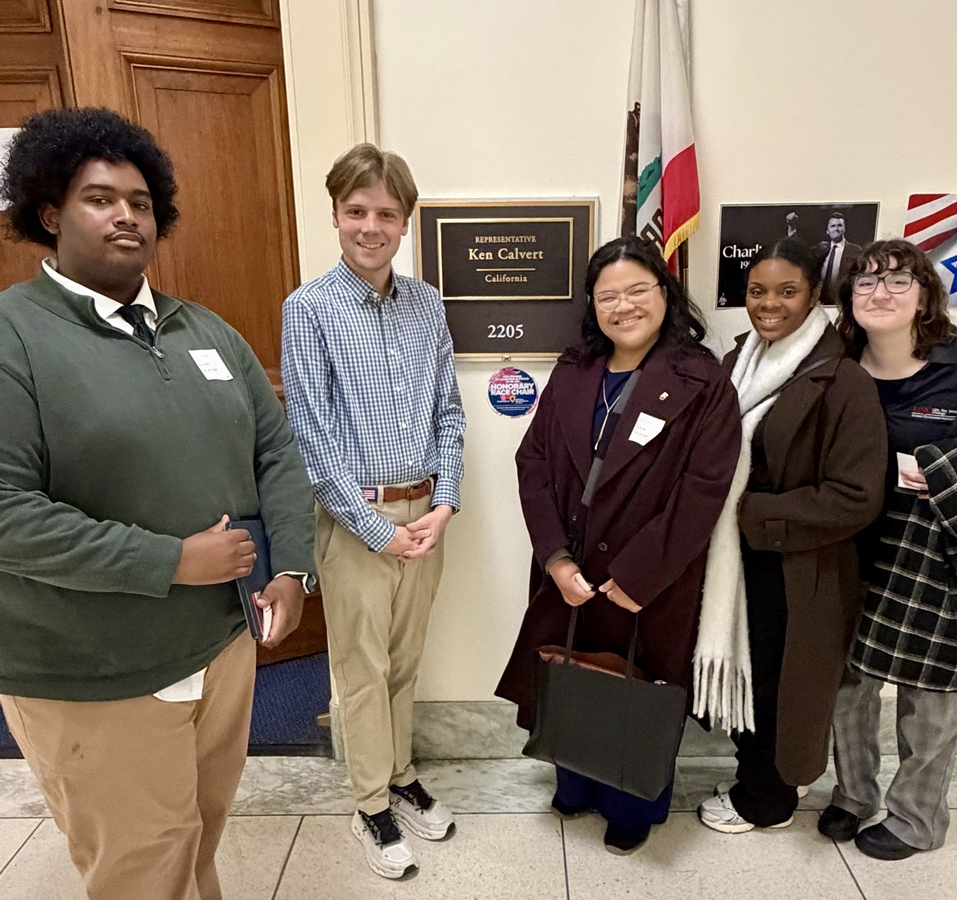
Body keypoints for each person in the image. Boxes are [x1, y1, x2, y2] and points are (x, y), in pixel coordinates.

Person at [0, 107, 315, 900]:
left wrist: (294, 567)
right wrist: (170, 561)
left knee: (198, 832)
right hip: (91, 671)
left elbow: (277, 450)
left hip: (221, 643)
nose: (126, 214)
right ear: (49, 212)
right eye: (100, 198)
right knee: (139, 867)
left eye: (140, 200)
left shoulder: (203, 332)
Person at [496, 236, 742, 855]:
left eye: (638, 290)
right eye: (608, 296)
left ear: (665, 293)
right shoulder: (574, 368)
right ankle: (575, 784)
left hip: (649, 580)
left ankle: (633, 804)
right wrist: (554, 557)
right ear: (592, 305)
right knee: (571, 672)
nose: (624, 306)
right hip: (568, 569)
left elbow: (703, 490)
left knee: (637, 692)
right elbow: (534, 461)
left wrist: (637, 577)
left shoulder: (703, 380)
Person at [819, 238, 957, 860]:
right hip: (855, 551)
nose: (880, 294)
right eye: (864, 284)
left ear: (924, 296)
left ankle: (917, 819)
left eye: (897, 281)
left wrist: (947, 469)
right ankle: (853, 794)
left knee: (929, 697)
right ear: (848, 300)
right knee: (847, 686)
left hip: (942, 563)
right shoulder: (837, 366)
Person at [280, 143, 466, 880]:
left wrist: (445, 502)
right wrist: (375, 529)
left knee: (404, 661)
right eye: (356, 211)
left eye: (386, 213)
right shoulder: (310, 308)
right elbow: (310, 435)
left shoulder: (428, 304)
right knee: (359, 668)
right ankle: (368, 804)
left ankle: (400, 772)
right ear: (335, 215)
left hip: (426, 517)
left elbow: (449, 412)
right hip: (356, 520)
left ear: (405, 222)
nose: (370, 226)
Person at [693, 239, 887, 834]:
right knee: (753, 671)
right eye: (757, 291)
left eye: (786, 291)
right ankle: (753, 776)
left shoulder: (842, 380)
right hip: (738, 561)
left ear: (814, 296)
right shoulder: (738, 363)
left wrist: (755, 514)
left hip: (799, 567)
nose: (769, 304)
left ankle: (768, 801)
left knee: (782, 688)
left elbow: (856, 497)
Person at [814, 211, 861, 305]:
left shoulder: (855, 251)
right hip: (820, 303)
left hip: (844, 303)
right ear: (827, 231)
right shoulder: (819, 250)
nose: (836, 229)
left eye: (839, 225)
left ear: (844, 229)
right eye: (833, 226)